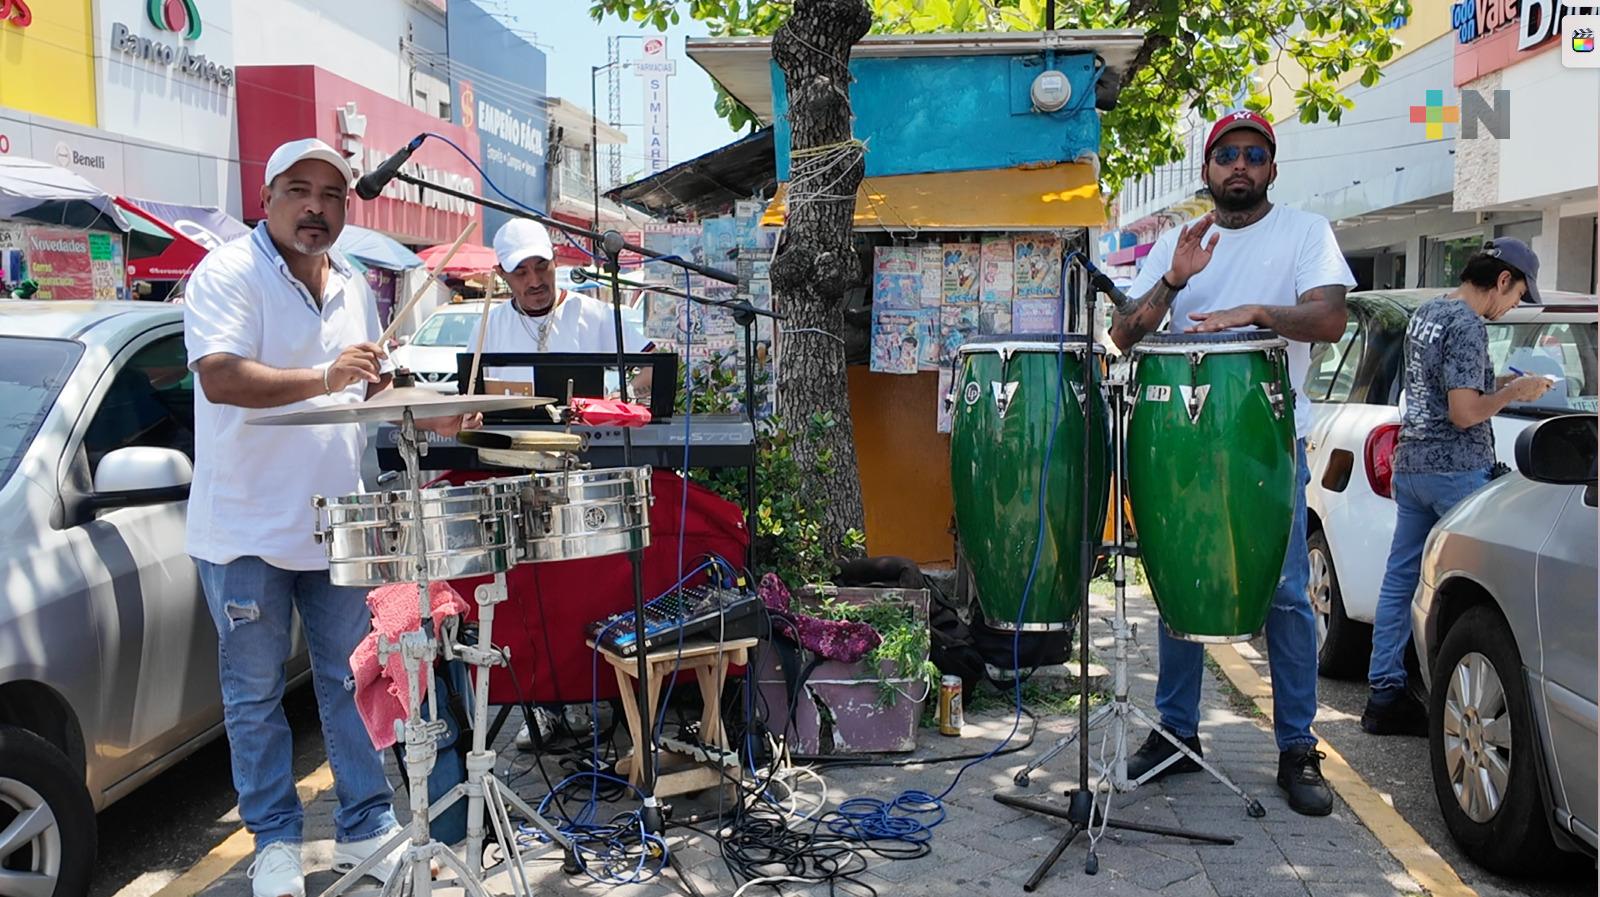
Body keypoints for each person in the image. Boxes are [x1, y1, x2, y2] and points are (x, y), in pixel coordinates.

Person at [184, 138, 471, 897]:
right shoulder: (226, 272)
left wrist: (432, 413)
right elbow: (219, 377)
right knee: (253, 695)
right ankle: (275, 838)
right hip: (245, 527)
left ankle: (363, 820)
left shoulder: (351, 284)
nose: (317, 206)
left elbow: (360, 390)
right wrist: (324, 374)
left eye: (333, 194)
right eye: (300, 190)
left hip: (340, 520)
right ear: (269, 196)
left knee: (355, 679)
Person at [1110, 110, 1354, 817]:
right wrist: (1177, 283)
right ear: (1207, 170)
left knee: (1282, 594)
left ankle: (1297, 746)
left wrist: (1253, 310)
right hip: (1177, 440)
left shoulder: (1306, 232)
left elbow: (1330, 317)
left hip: (1267, 442)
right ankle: (1177, 733)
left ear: (1272, 169)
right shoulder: (1177, 243)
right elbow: (1123, 334)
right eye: (1226, 154)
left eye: (1254, 153)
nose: (1240, 165)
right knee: (1180, 577)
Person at [1361, 239, 1553, 735]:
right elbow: (1465, 413)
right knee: (1475, 590)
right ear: (1504, 279)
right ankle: (1460, 696)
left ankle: (1384, 693)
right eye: (1517, 297)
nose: (1512, 309)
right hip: (1457, 473)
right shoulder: (1468, 325)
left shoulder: (1429, 311)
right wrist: (1516, 391)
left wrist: (1494, 384)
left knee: (1401, 578)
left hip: (1413, 464)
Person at [466, 218, 653, 396]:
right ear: (501, 273)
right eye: (520, 273)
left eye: (541, 267)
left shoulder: (594, 314)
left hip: (581, 430)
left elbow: (654, 366)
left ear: (555, 259)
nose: (535, 281)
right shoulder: (488, 326)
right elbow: (470, 392)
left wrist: (623, 396)